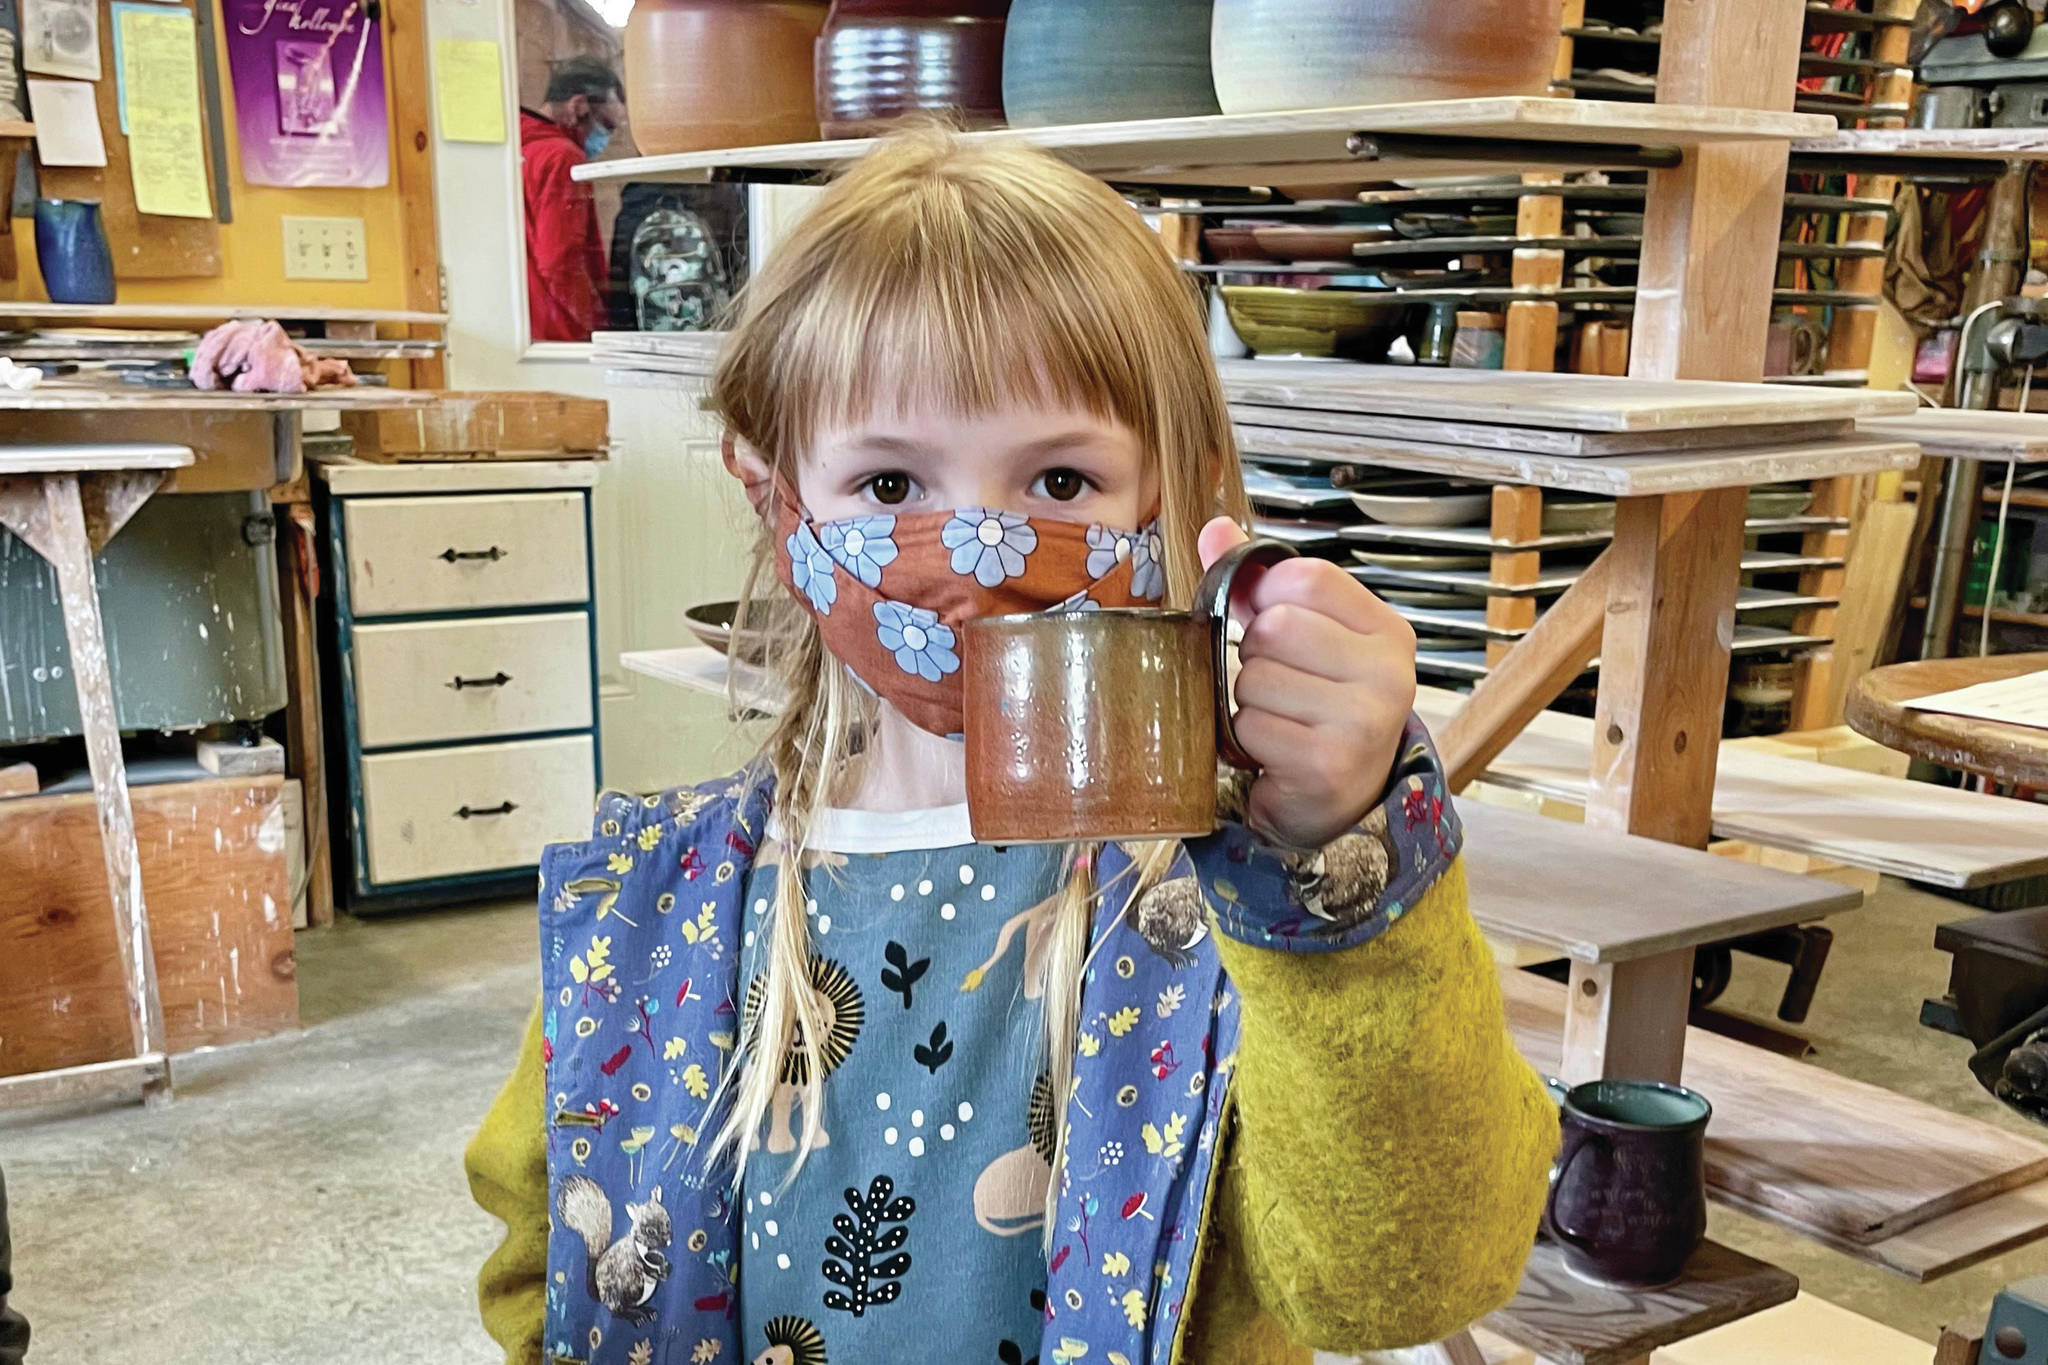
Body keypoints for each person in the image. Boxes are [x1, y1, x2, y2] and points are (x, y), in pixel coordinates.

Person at [466, 129, 1556, 1365]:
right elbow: (548, 1255)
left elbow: (1403, 1285)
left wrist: (1340, 875)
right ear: (780, 507)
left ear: (1179, 504)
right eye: (887, 487)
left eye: (1057, 481)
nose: (979, 545)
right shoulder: (656, 910)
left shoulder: (1238, 913)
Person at [520, 56, 625, 343]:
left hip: (522, 326)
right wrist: (600, 326)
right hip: (560, 331)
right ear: (578, 106)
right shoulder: (562, 157)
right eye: (606, 125)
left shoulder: (515, 148)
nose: (604, 139)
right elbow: (559, 262)